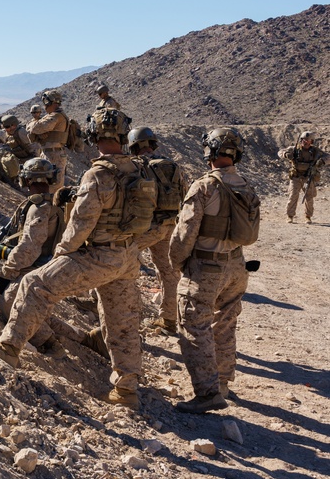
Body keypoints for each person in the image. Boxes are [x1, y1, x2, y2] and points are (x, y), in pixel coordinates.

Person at [0, 108, 148, 410]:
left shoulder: (99, 173)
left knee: (34, 283)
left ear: (93, 135)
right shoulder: (139, 171)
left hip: (97, 254)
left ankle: (9, 348)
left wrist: (62, 254)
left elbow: (81, 224)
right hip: (128, 255)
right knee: (123, 322)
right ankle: (126, 390)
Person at [170, 128, 260, 413]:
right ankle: (221, 382)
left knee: (194, 325)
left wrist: (179, 263)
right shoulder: (245, 184)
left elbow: (185, 233)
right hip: (236, 265)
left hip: (207, 266)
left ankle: (208, 393)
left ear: (209, 152)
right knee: (225, 323)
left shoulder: (204, 186)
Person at [0, 158, 67, 359]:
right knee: (37, 309)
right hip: (48, 265)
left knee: (10, 299)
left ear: (25, 180)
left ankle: (50, 344)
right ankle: (84, 338)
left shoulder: (39, 207)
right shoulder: (52, 203)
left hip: (38, 267)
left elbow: (30, 246)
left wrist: (8, 271)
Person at [129, 127, 186, 333]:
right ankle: (169, 320)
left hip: (145, 227)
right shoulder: (172, 165)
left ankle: (126, 319)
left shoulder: (136, 166)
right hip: (169, 224)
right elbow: (184, 194)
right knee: (169, 273)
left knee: (120, 264)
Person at [278, 131, 326, 224]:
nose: (305, 142)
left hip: (308, 177)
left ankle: (308, 217)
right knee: (293, 196)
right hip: (296, 176)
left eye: (308, 140)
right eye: (304, 140)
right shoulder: (294, 149)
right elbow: (280, 152)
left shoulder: (315, 151)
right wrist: (286, 154)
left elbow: (328, 157)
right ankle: (290, 216)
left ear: (311, 141)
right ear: (301, 140)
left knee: (309, 198)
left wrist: (322, 161)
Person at [28, 90, 70, 190]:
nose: (44, 106)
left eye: (45, 102)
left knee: (53, 187)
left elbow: (35, 128)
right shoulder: (52, 115)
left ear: (51, 102)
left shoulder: (56, 116)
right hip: (49, 153)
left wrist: (31, 125)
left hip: (54, 155)